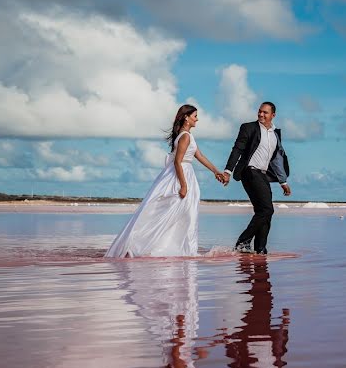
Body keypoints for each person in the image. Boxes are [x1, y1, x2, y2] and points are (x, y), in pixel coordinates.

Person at [105, 104, 224, 258]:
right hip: (182, 175)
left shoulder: (187, 135)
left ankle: (177, 246)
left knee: (184, 214)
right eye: (195, 116)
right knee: (180, 214)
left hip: (185, 174)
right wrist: (183, 185)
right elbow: (177, 162)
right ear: (186, 118)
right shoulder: (185, 136)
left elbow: (199, 155)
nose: (197, 119)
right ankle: (150, 246)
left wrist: (215, 171)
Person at [221, 101, 290, 254]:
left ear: (273, 115)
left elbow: (276, 159)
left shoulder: (275, 134)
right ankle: (242, 242)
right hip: (250, 172)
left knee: (264, 211)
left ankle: (260, 248)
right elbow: (237, 149)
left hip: (263, 175)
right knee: (267, 209)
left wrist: (283, 181)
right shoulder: (249, 128)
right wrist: (228, 171)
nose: (261, 114)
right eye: (259, 111)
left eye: (265, 112)